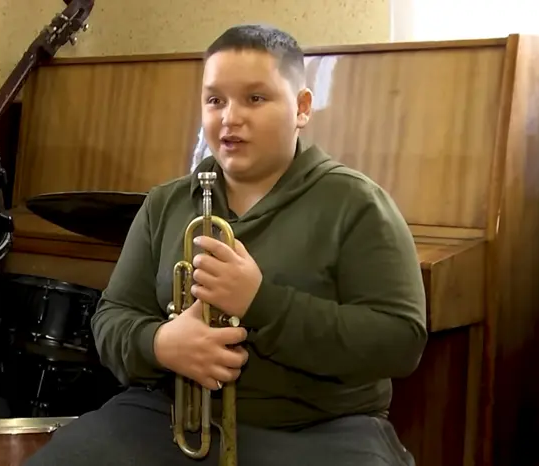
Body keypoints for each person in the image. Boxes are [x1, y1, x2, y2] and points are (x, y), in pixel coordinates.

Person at [23, 24, 427, 466]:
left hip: (317, 428)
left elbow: (399, 340)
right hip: (168, 416)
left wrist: (261, 302)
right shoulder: (165, 203)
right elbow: (111, 319)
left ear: (302, 107)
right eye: (215, 100)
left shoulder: (357, 203)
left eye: (255, 98)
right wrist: (160, 344)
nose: (230, 117)